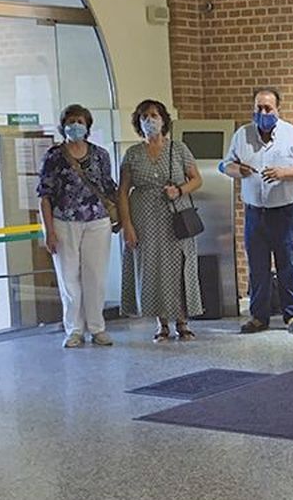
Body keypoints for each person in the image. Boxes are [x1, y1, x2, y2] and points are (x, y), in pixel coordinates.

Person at [220, 87, 293, 334]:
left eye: (268, 108)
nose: (263, 112)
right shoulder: (242, 135)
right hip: (254, 213)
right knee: (258, 266)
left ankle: (292, 315)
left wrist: (284, 173)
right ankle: (258, 317)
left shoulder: (292, 135)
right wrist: (237, 170)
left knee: (287, 264)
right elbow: (225, 165)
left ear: (277, 109)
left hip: (283, 213)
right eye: (258, 108)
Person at [119, 99, 203, 341]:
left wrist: (180, 190)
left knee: (179, 267)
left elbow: (197, 179)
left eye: (154, 115)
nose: (150, 121)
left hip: (175, 217)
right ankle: (161, 323)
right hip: (144, 219)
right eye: (145, 117)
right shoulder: (133, 154)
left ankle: (182, 320)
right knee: (152, 268)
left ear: (164, 120)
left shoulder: (178, 149)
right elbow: (123, 192)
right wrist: (128, 226)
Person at [38, 104, 118, 348]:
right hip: (64, 222)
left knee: (96, 276)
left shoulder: (100, 155)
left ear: (88, 126)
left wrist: (121, 217)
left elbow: (109, 187)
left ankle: (97, 327)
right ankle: (74, 329)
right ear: (63, 126)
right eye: (71, 121)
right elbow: (44, 195)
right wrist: (49, 231)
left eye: (80, 121)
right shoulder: (54, 156)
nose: (75, 126)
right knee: (68, 277)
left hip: (97, 221)